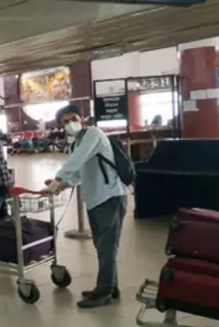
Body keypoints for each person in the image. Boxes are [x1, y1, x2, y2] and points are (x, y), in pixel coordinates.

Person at [46, 104, 127, 309]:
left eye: (73, 118)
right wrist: (61, 185)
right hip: (94, 200)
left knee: (107, 248)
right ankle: (111, 286)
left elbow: (77, 159)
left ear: (81, 118)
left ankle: (103, 292)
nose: (70, 123)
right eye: (65, 122)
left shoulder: (93, 134)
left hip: (110, 196)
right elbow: (77, 174)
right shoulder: (75, 144)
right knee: (103, 247)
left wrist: (58, 178)